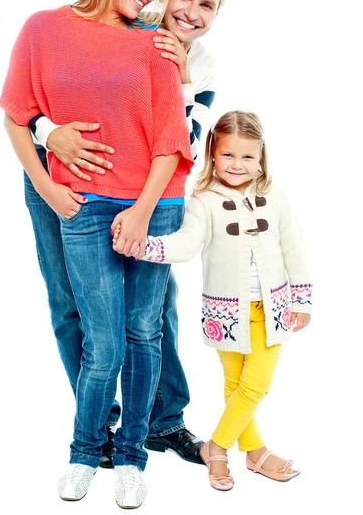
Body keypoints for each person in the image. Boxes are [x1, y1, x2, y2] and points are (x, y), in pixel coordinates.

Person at [0, 0, 194, 508]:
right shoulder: (43, 28)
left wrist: (142, 209)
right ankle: (89, 448)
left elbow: (170, 137)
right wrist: (48, 183)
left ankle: (140, 443)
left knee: (145, 328)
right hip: (70, 200)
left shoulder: (154, 42)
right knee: (91, 329)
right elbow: (16, 114)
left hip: (147, 203)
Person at [28, 0, 229, 466]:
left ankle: (163, 421)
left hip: (146, 194)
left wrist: (179, 78)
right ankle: (98, 421)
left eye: (206, 4)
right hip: (61, 179)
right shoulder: (123, 24)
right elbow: (37, 101)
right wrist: (52, 135)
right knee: (69, 300)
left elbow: (183, 141)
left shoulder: (199, 65)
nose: (190, 11)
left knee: (155, 309)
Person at [115, 110, 312, 490]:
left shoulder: (272, 196)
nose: (237, 165)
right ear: (212, 154)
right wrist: (146, 245)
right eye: (228, 156)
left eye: (247, 157)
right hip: (226, 313)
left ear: (261, 158)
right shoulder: (204, 200)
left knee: (255, 384)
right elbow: (187, 244)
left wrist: (301, 300)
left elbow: (294, 246)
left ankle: (217, 449)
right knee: (236, 380)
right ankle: (255, 452)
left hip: (272, 309)